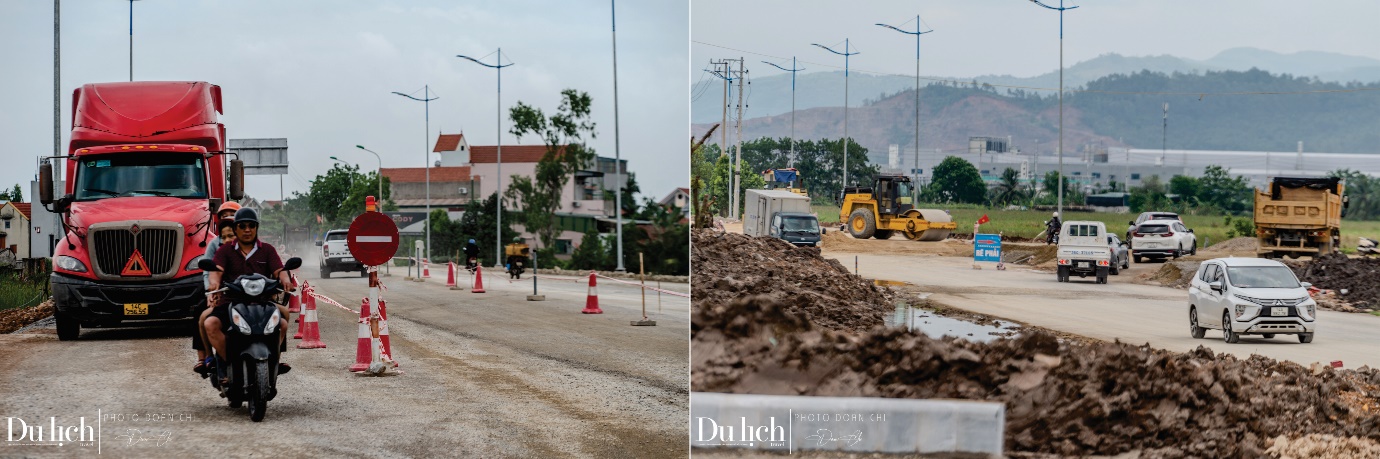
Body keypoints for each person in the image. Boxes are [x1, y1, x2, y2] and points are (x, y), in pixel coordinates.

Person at [204, 208, 295, 381]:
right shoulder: (225, 251)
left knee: (282, 322)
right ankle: (227, 363)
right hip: (230, 302)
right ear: (236, 228)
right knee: (210, 323)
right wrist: (213, 283)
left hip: (262, 303)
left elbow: (279, 270)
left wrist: (285, 280)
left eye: (251, 225)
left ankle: (274, 361)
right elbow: (216, 271)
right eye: (243, 226)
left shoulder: (267, 250)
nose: (247, 229)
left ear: (256, 228)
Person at [194, 201, 242, 375]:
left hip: (247, 294)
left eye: (232, 215)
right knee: (201, 314)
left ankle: (274, 357)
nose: (227, 218)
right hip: (223, 293)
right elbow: (210, 271)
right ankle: (205, 356)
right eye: (224, 216)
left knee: (278, 316)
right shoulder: (216, 245)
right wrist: (211, 290)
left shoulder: (255, 246)